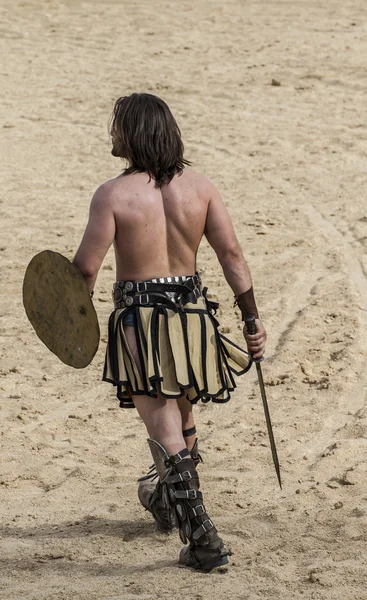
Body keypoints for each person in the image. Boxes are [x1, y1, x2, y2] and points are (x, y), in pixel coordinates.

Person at [72, 93, 267, 571]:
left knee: (163, 427)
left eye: (118, 126)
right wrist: (251, 319)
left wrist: (66, 321)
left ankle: (203, 540)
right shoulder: (200, 188)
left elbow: (83, 272)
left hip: (142, 321)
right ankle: (165, 498)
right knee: (183, 414)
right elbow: (232, 256)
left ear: (134, 134)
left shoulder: (113, 195)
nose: (112, 134)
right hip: (195, 316)